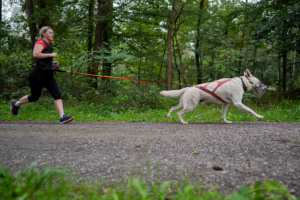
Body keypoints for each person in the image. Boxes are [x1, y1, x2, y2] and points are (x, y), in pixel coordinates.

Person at [10, 26, 74, 124]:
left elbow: (42, 60)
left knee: (56, 93)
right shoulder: (40, 42)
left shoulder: (48, 45)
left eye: (53, 33)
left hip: (47, 73)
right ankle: (16, 103)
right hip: (37, 73)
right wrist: (51, 55)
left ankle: (62, 117)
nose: (52, 35)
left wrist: (52, 63)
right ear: (43, 33)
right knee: (35, 97)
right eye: (50, 33)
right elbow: (35, 54)